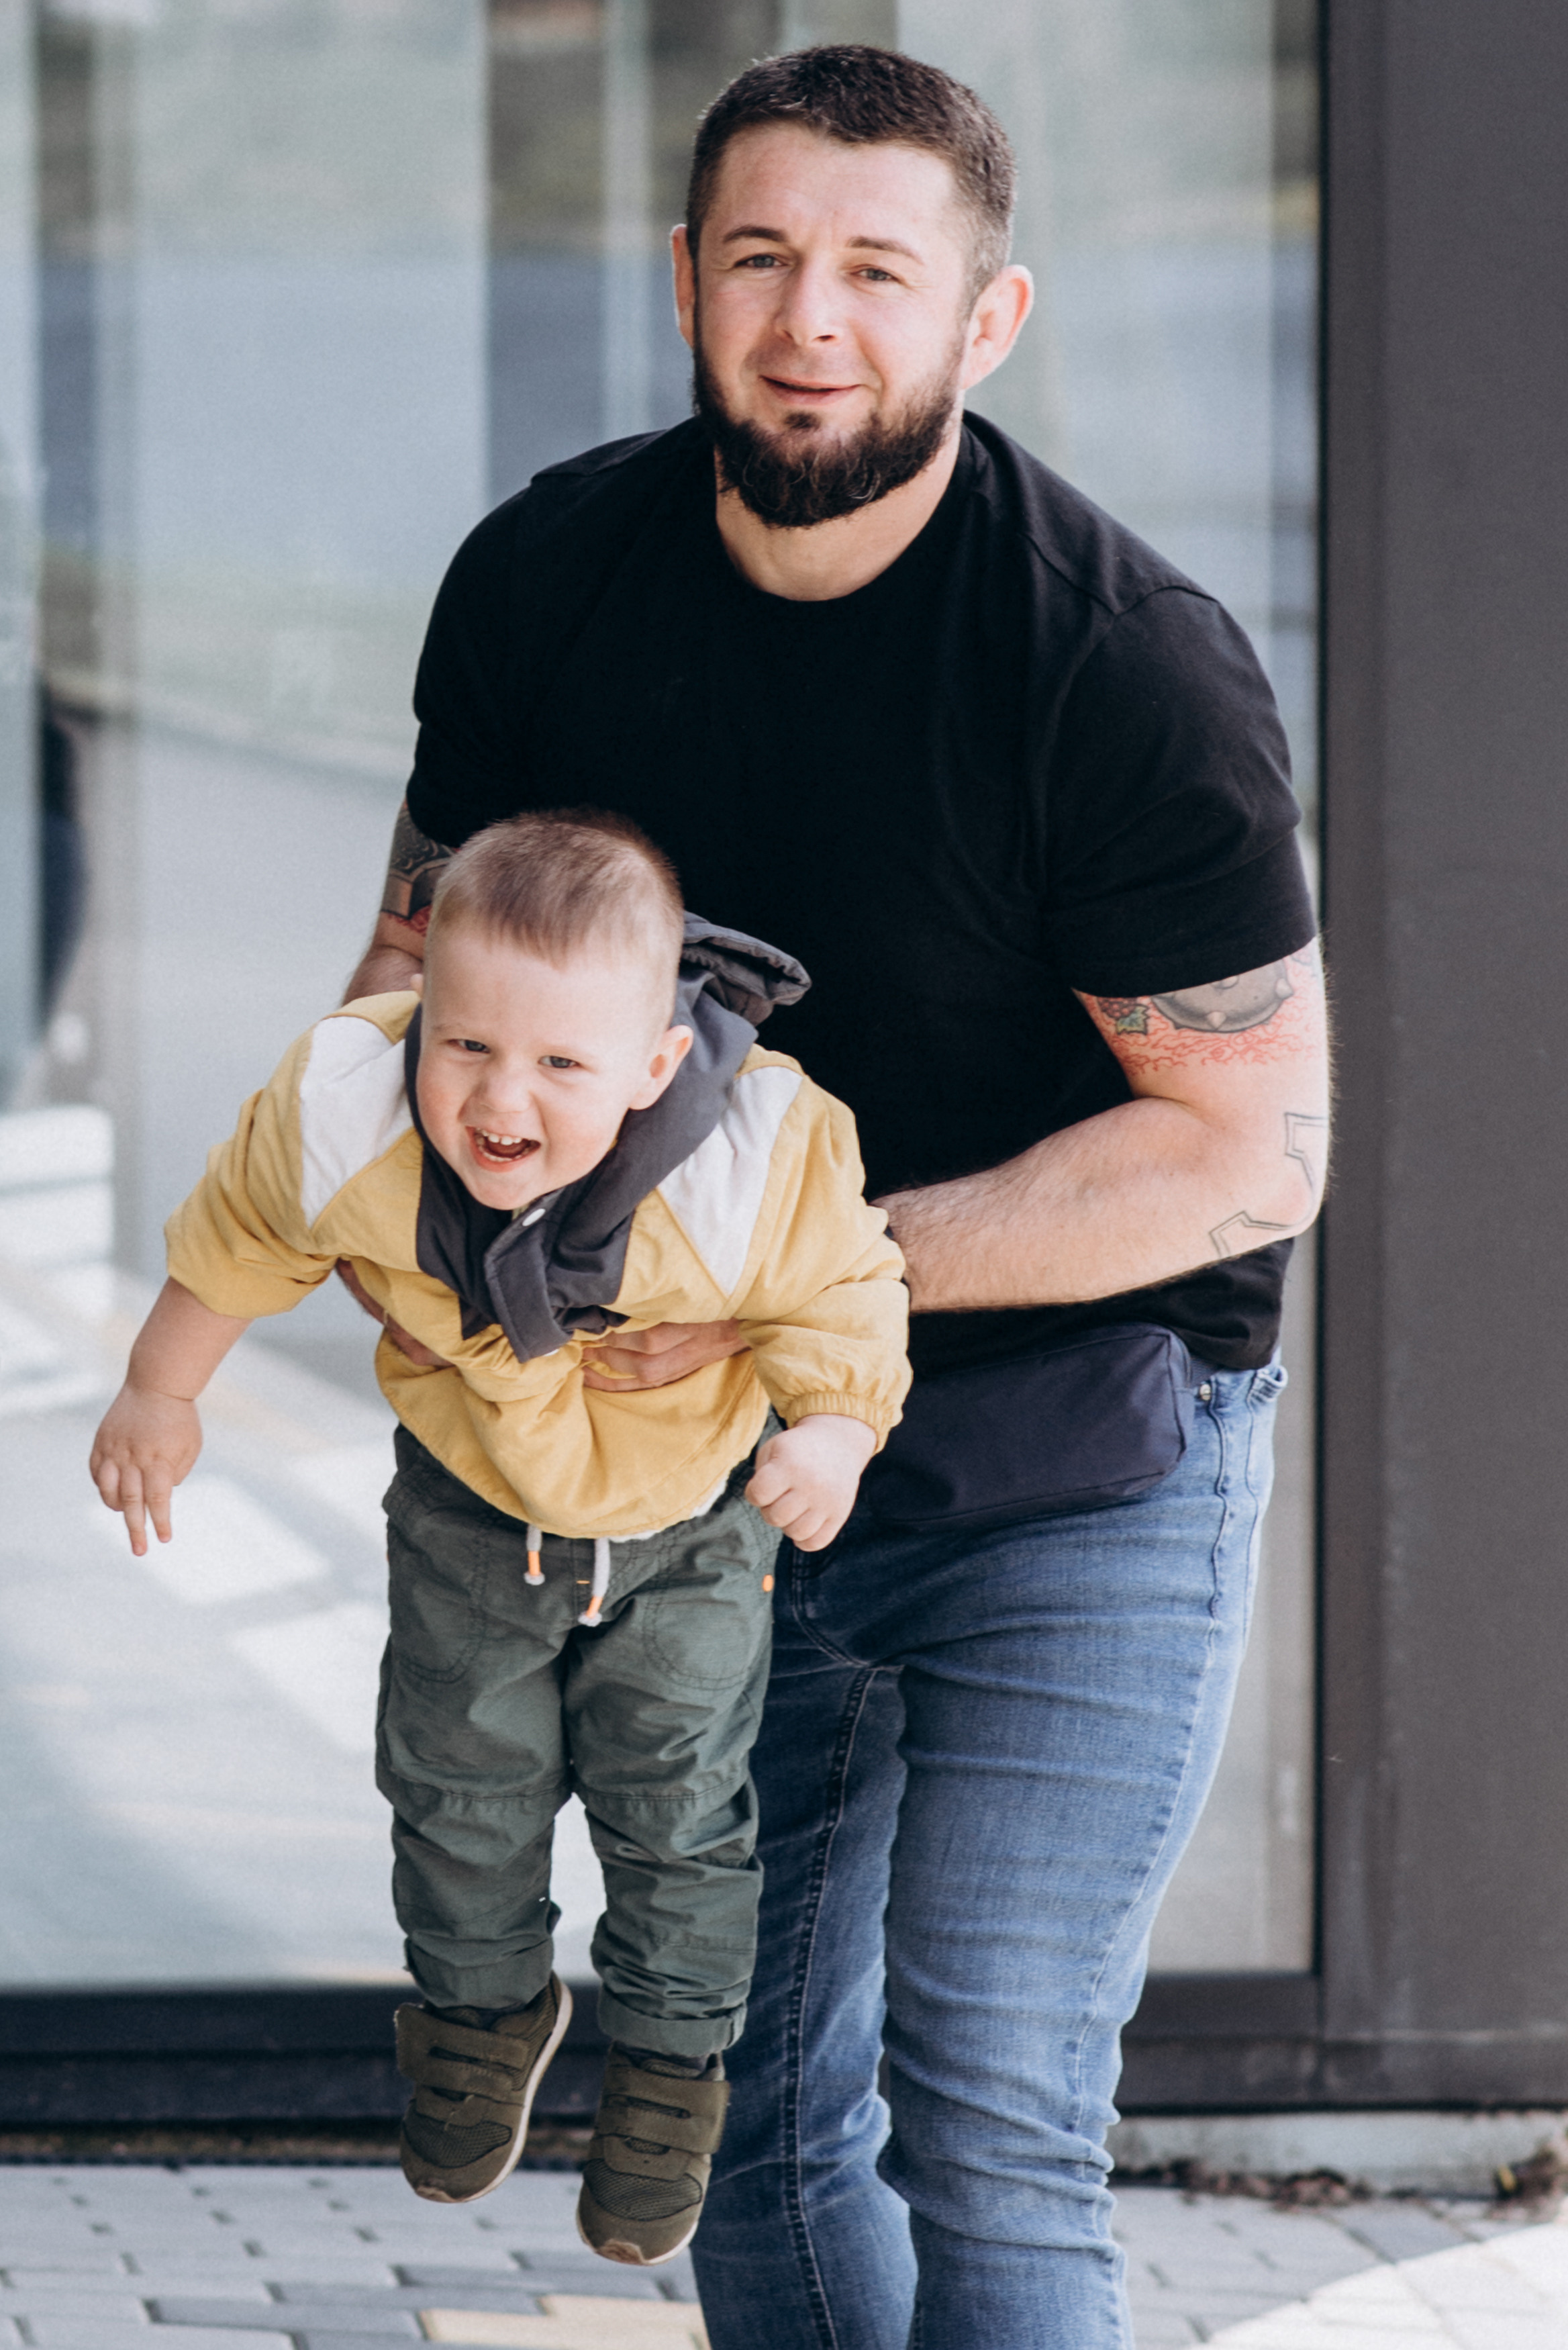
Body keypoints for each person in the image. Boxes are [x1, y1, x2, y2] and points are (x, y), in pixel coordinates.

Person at [340, 43, 1331, 2350]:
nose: (813, 320)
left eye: (879, 271)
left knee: (982, 2103)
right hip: (688, 1477)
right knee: (751, 2114)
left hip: (1067, 1453)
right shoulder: (544, 583)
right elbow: (415, 984)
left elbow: (1244, 1146)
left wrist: (795, 1286)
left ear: (984, 321)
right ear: (683, 281)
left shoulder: (1121, 669)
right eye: (763, 258)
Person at [87, 808, 910, 2265]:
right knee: (458, 1783)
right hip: (474, 1511)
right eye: (463, 1045)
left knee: (676, 1813)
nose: (498, 1098)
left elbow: (843, 1294)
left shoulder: (747, 1159)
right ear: (421, 1019)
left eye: (558, 1064)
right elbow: (239, 1233)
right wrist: (161, 1387)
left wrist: (833, 1429)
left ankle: (667, 2075)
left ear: (657, 1063)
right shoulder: (351, 1112)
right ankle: (479, 2012)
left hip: (686, 1529)